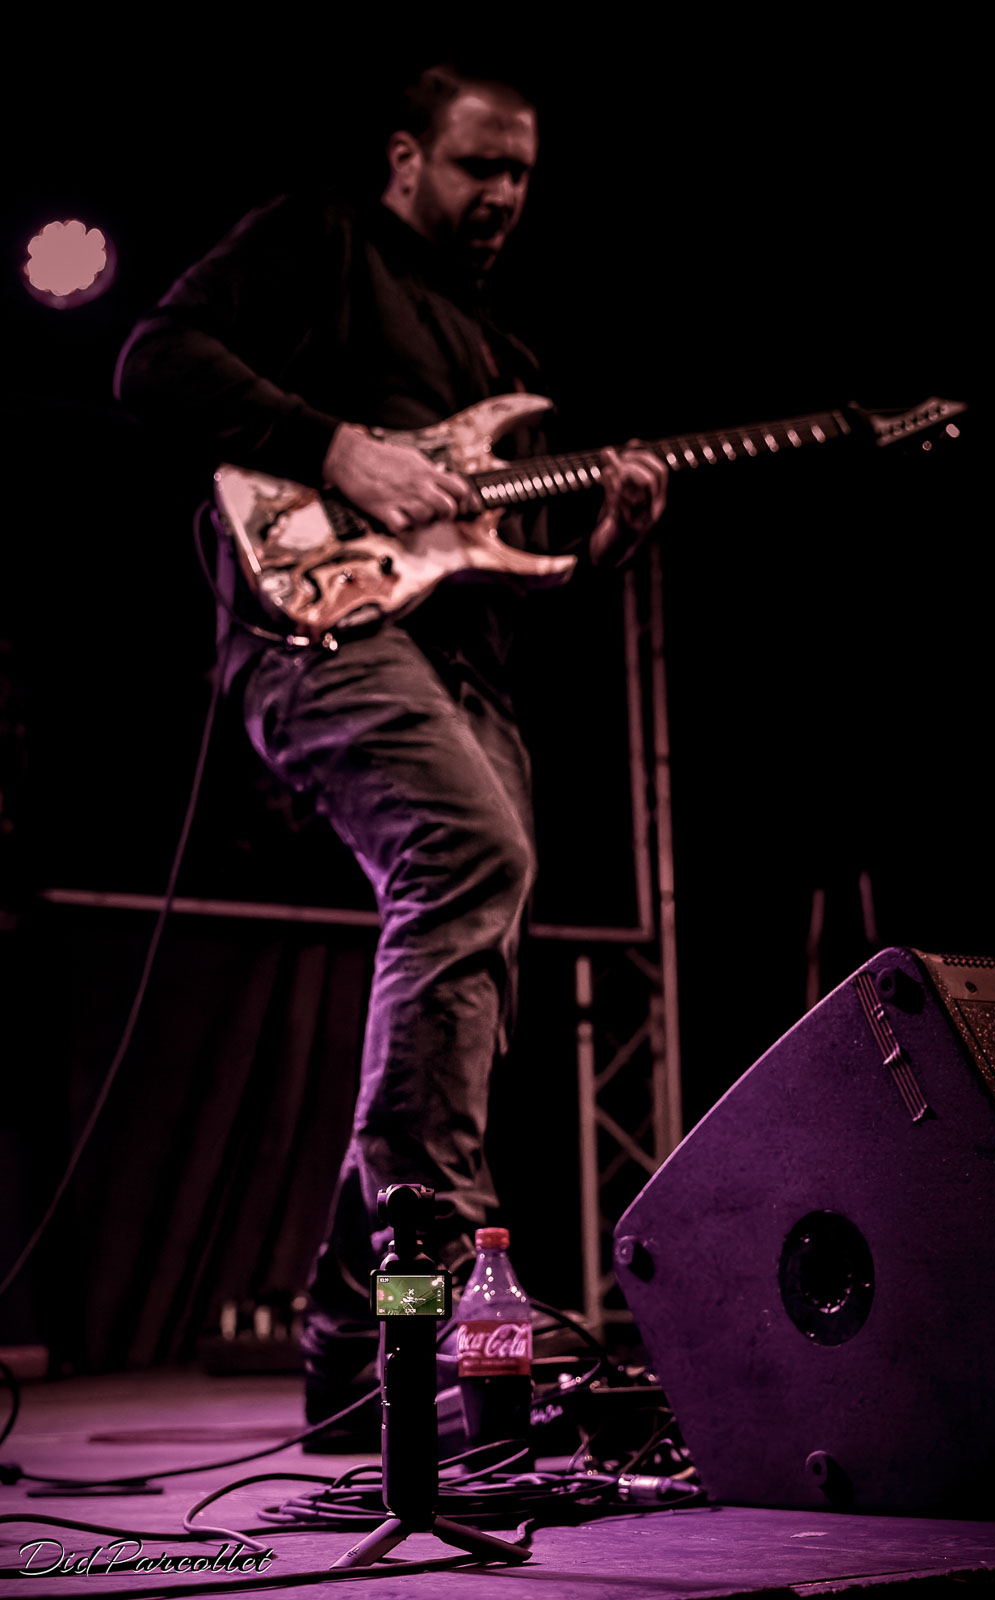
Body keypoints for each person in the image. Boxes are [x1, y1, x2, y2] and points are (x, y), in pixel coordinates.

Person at [114, 60, 668, 1446]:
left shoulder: (502, 355)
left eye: (523, 173)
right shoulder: (325, 242)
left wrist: (599, 546)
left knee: (480, 939)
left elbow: (490, 567)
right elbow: (153, 361)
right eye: (480, 165)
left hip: (461, 663)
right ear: (407, 158)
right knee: (469, 851)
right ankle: (451, 1256)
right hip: (315, 625)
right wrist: (337, 448)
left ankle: (360, 1345)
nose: (504, 194)